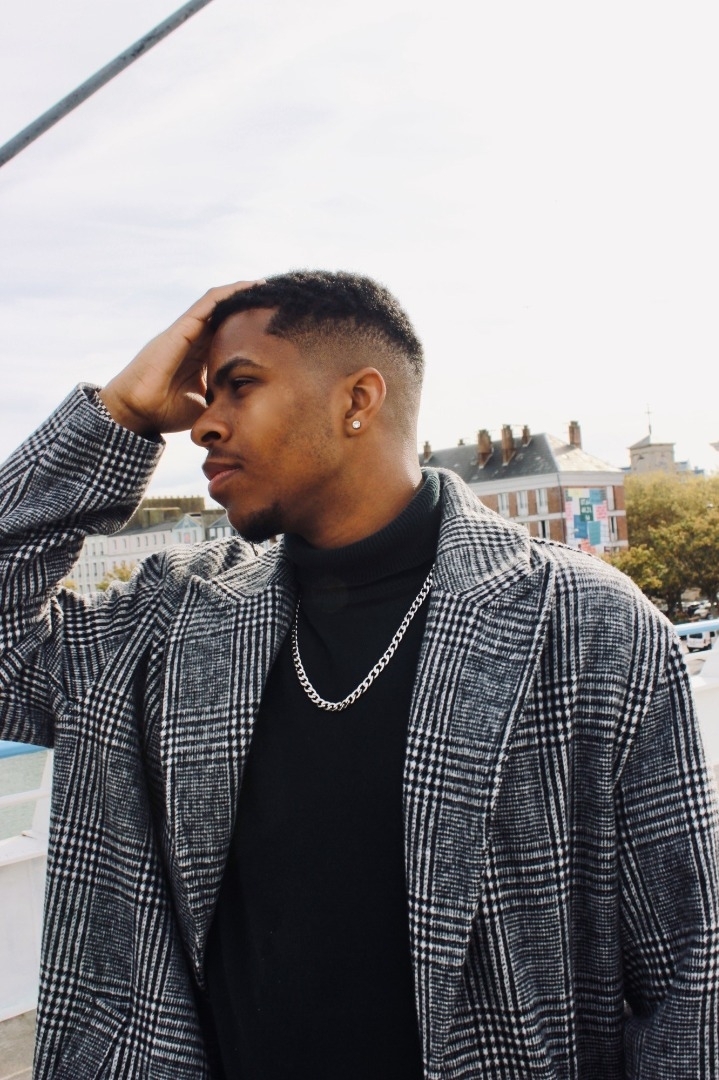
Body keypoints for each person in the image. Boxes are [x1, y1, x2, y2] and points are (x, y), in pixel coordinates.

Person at [1, 270, 717, 1080]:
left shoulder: (586, 623)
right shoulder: (174, 618)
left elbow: (688, 978)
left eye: (239, 385)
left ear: (357, 400)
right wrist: (118, 417)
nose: (203, 423)